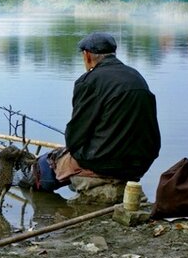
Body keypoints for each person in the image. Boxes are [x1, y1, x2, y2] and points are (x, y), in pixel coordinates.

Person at [17, 32, 161, 194]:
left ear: (86, 56)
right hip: (141, 163)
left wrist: (67, 150)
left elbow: (76, 134)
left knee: (44, 166)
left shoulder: (89, 81)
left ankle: (41, 201)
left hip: (105, 163)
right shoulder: (136, 76)